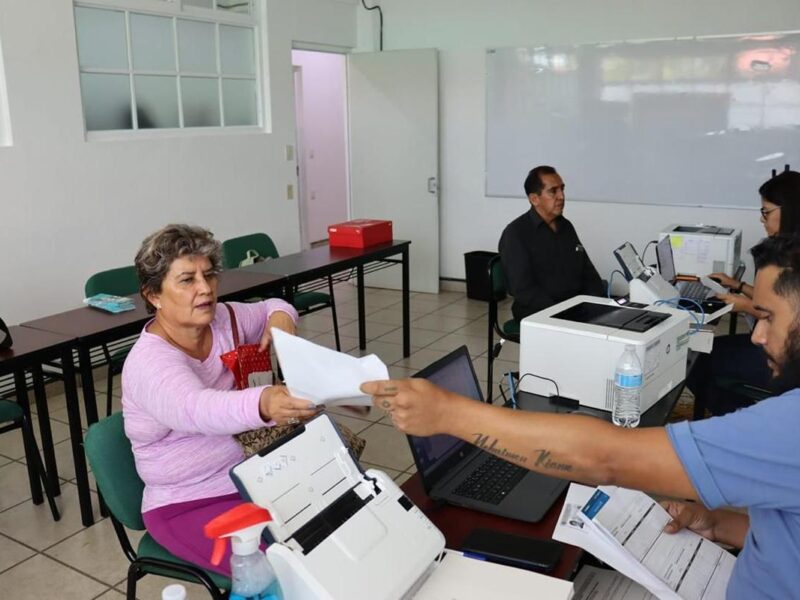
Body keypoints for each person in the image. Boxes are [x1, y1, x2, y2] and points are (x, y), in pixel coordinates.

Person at [362, 234, 800, 600]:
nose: (757, 336)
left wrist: (448, 412)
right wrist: (722, 523)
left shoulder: (788, 425)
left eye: (767, 318)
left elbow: (607, 458)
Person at [122, 224, 317, 576]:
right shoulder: (149, 363)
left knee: (333, 529)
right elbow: (197, 409)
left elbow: (275, 305)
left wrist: (280, 320)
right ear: (153, 295)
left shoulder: (223, 318)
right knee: (288, 571)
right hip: (189, 501)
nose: (205, 289)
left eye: (209, 276)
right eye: (187, 280)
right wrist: (263, 403)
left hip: (253, 475)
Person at [688, 170, 800, 415]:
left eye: (766, 211)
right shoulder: (788, 251)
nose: (762, 219)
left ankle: (741, 417)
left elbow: (787, 316)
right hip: (776, 344)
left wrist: (743, 305)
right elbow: (776, 301)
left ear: (789, 210)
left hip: (785, 355)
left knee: (700, 360)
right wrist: (738, 286)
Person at [499, 165, 604, 321]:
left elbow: (588, 273)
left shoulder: (566, 226)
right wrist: (561, 312)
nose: (561, 196)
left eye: (562, 189)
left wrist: (598, 302)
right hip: (539, 313)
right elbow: (523, 290)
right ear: (534, 199)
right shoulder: (516, 234)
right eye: (553, 191)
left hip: (574, 307)